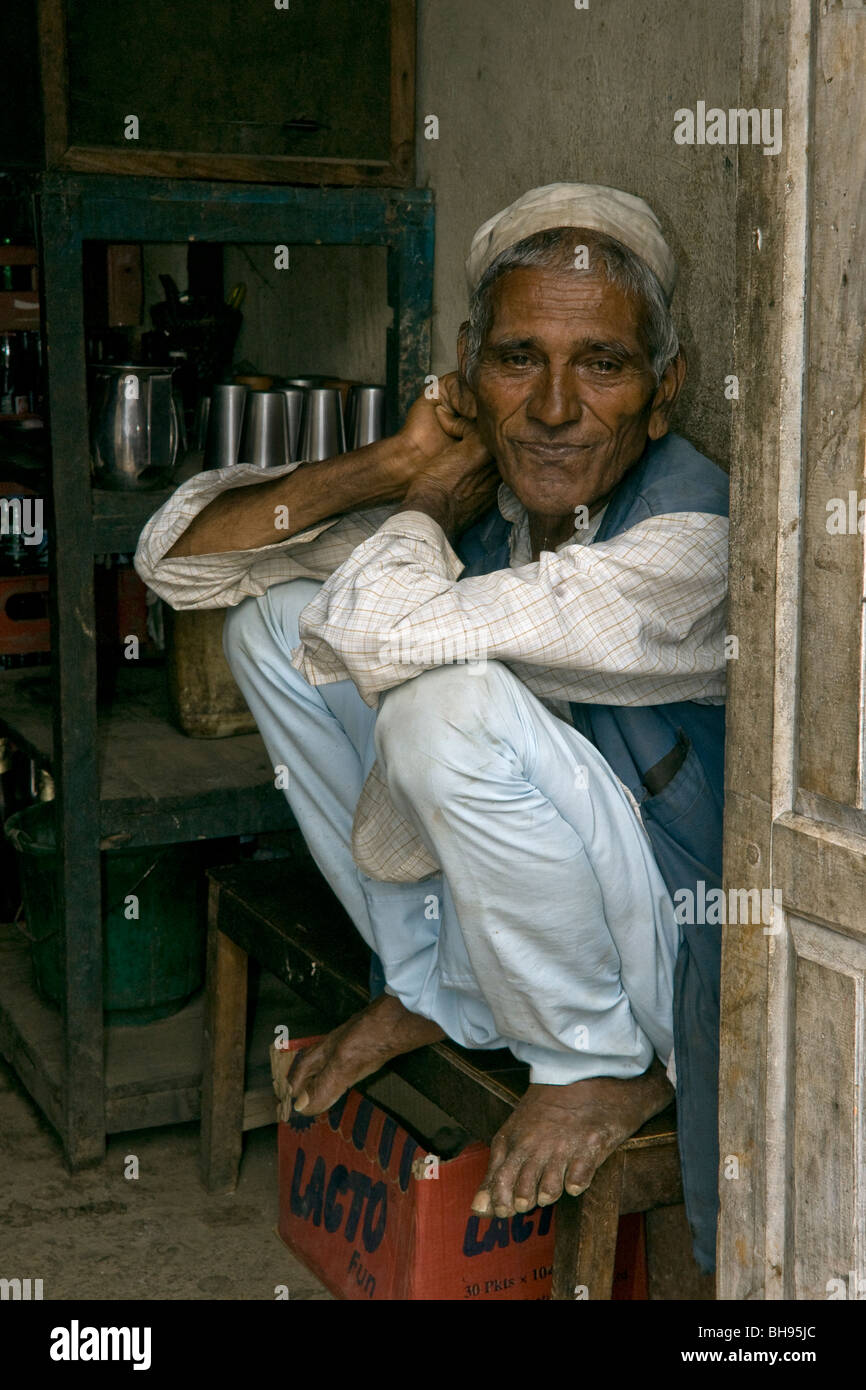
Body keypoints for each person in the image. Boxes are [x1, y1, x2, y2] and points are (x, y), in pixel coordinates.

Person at [135, 183, 728, 1273]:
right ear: (466, 371)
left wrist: (417, 513)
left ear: (662, 388)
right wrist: (394, 469)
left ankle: (590, 1054)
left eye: (599, 364)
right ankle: (431, 987)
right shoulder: (487, 497)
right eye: (517, 360)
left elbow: (379, 628)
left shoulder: (690, 542)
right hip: (529, 907)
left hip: (666, 949)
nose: (552, 406)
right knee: (270, 624)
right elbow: (173, 562)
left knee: (441, 699)